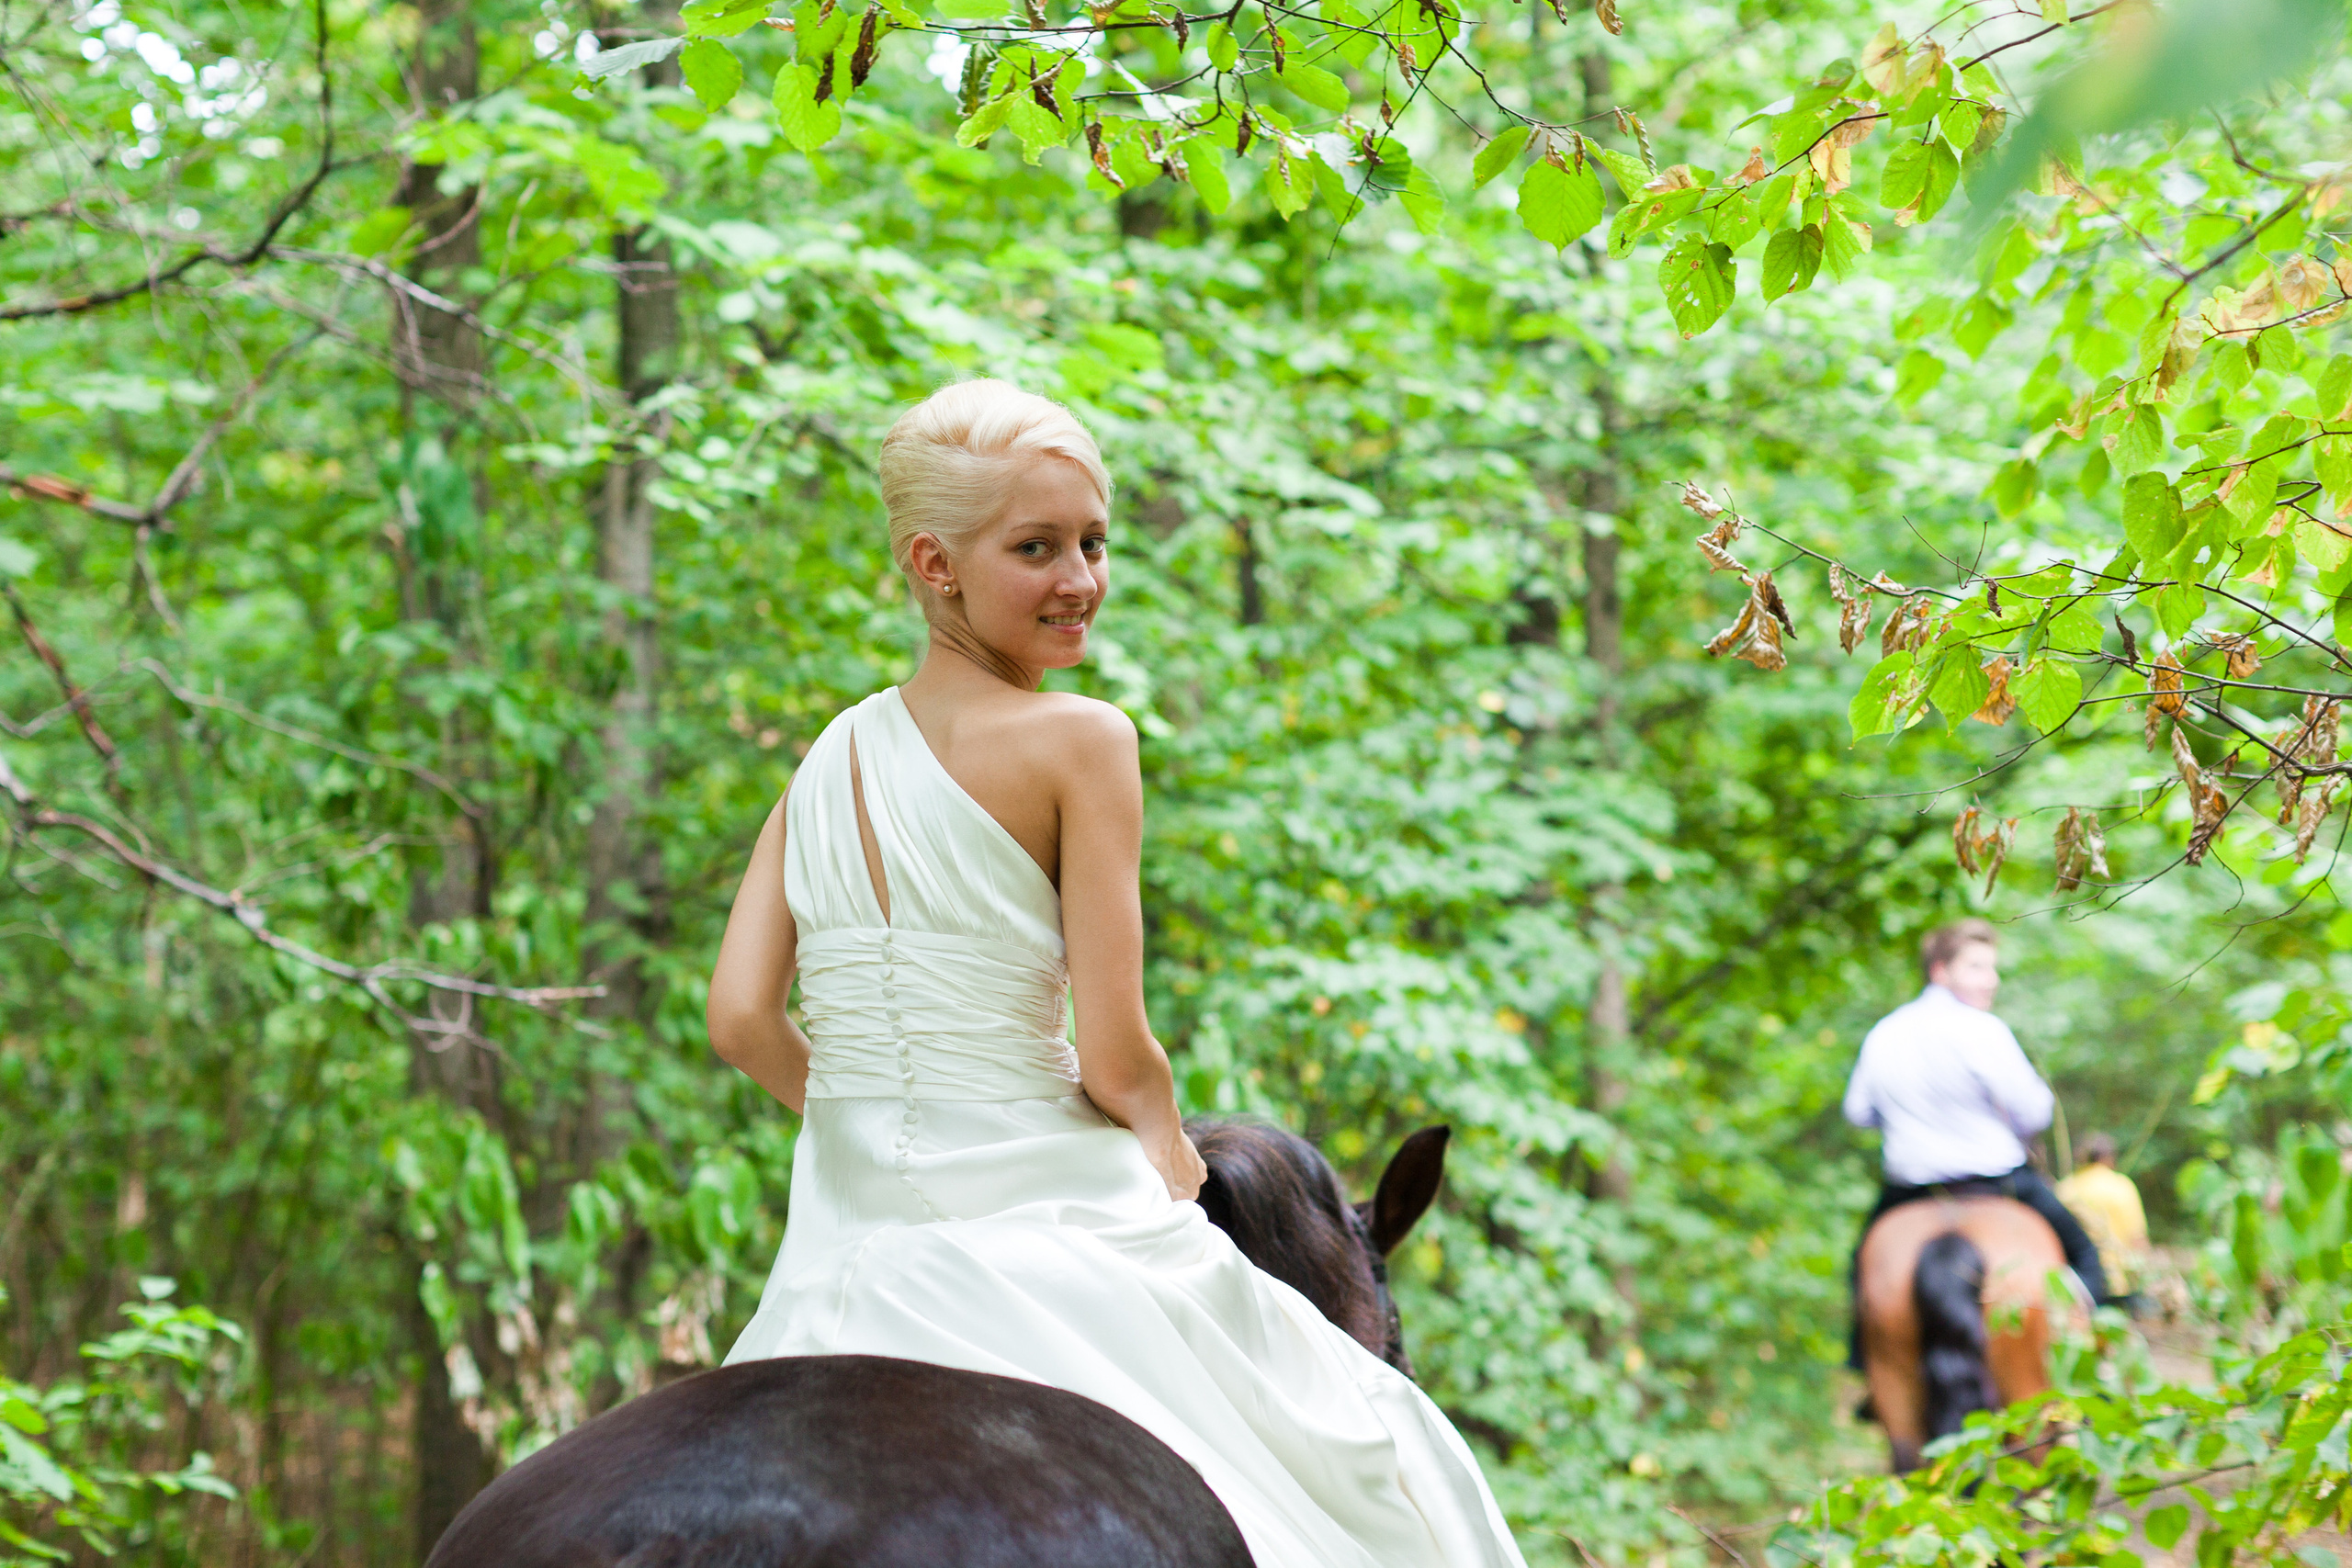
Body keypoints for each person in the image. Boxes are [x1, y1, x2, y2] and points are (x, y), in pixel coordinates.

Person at [704, 379, 1525, 1568]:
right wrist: (1177, 1165)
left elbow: (737, 1017)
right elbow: (1117, 1055)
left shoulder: (826, 759)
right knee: (1376, 1453)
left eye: (1094, 541)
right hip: (1044, 1211)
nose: (1081, 578)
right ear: (934, 562)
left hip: (836, 1250)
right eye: (1035, 547)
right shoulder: (1085, 738)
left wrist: (883, 1122)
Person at [1842, 919, 2111, 1369]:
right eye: (1977, 967)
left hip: (1910, 1190)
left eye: (1992, 968)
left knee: (1860, 1267)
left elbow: (1858, 1113)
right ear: (1940, 970)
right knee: (2085, 1255)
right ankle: (2092, 1360)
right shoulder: (1983, 1030)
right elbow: (2034, 1113)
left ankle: (1865, 1368)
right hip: (1999, 1184)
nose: (1993, 979)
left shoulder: (1884, 1033)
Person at [2056, 1132, 2150, 1302]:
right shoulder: (2121, 1186)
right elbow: (2137, 1238)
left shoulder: (2064, 1189)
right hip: (2117, 1282)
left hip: (2076, 1282)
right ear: (2108, 1157)